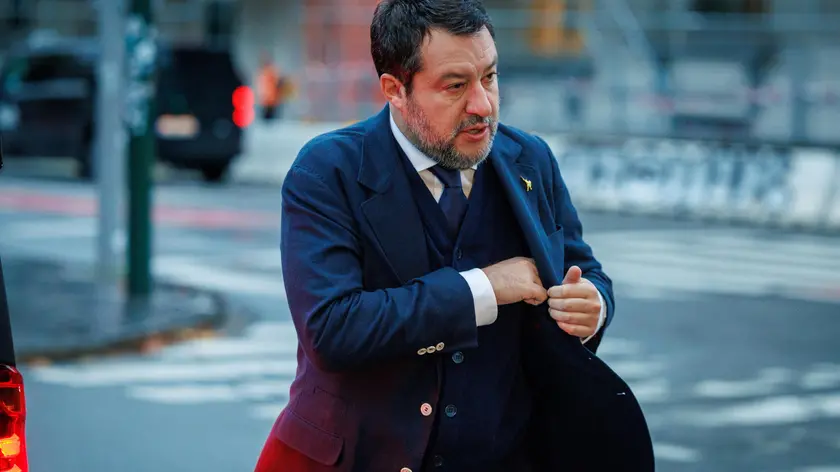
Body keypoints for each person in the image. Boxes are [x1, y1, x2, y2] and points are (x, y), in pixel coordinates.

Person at [254, 1, 653, 471]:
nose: (483, 105)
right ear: (395, 89)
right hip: (358, 458)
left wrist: (593, 305)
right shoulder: (327, 170)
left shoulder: (530, 159)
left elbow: (583, 269)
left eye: (490, 77)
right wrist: (484, 288)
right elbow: (332, 330)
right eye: (456, 86)